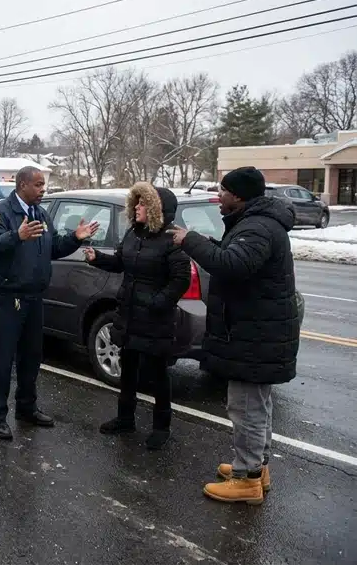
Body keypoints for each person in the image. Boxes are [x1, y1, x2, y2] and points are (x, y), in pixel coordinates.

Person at [169, 166, 299, 505]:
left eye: (224, 190)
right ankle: (256, 467)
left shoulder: (257, 226)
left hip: (254, 335)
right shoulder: (257, 223)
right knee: (255, 404)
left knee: (245, 408)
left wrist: (191, 240)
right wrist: (209, 243)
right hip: (255, 332)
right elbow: (236, 258)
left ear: (239, 195)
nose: (219, 196)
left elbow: (232, 264)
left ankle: (247, 479)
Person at [0, 167, 99, 440]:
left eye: (44, 184)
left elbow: (52, 246)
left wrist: (74, 239)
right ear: (22, 185)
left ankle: (26, 408)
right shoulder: (2, 212)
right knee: (3, 358)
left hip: (34, 298)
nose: (43, 189)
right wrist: (16, 236)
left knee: (31, 357)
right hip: (9, 298)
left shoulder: (40, 214)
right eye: (38, 184)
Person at [84, 183, 190, 450]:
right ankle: (125, 418)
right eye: (137, 202)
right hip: (129, 313)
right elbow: (120, 262)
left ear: (157, 208)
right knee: (128, 369)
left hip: (156, 318)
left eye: (143, 203)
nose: (137, 207)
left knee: (157, 374)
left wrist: (157, 303)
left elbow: (180, 280)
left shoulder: (171, 240)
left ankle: (161, 427)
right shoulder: (134, 233)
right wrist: (97, 258)